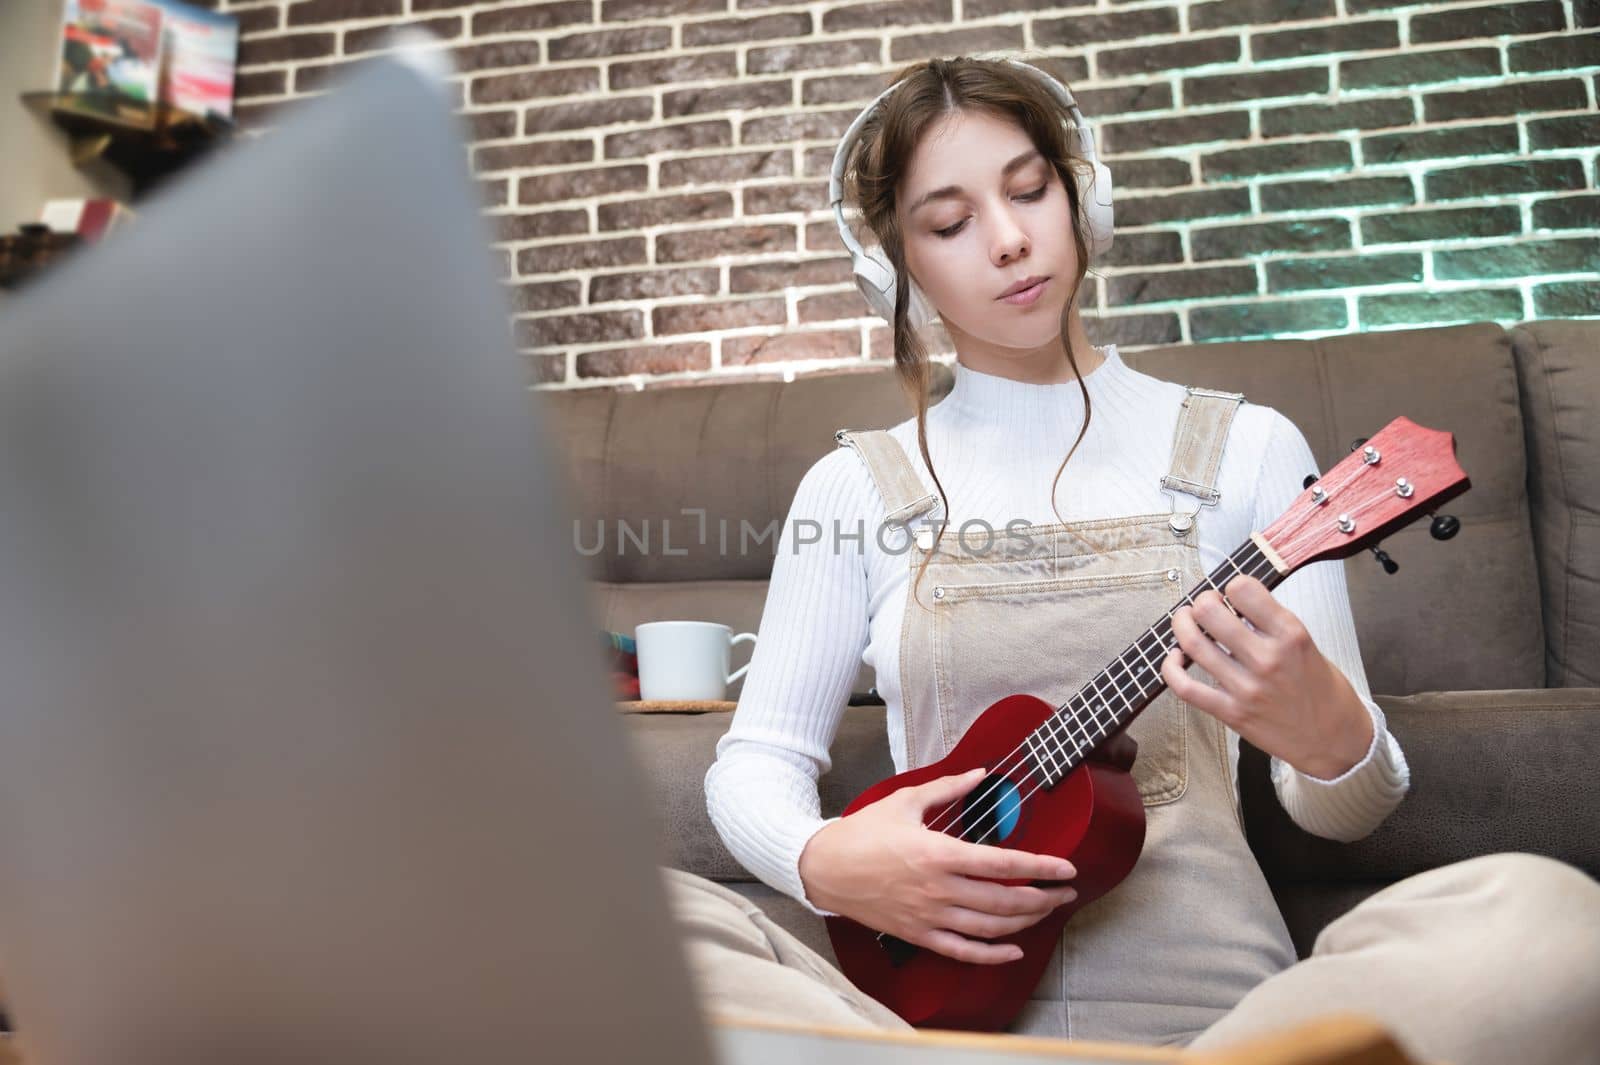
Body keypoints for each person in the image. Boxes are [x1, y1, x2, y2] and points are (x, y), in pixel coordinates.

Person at [674, 53, 1600, 1063]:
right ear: (896, 268)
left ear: (1083, 202)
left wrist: (1333, 738)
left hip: (1216, 1031)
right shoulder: (854, 488)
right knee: (648, 917)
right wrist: (820, 859)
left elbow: (1342, 814)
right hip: (929, 1032)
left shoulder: (1249, 448)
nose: (1011, 238)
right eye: (949, 223)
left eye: (1030, 192)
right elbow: (756, 764)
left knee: (1539, 916)